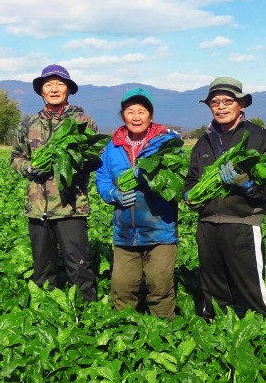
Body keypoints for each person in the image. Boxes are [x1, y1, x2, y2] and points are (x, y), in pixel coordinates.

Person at [184, 77, 266, 321]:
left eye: (227, 101)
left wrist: (248, 187)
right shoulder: (203, 141)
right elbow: (191, 179)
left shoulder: (258, 137)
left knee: (250, 288)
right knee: (213, 288)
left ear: (241, 104)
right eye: (215, 102)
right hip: (208, 225)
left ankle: (265, 330)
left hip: (242, 223)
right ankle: (217, 332)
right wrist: (189, 195)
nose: (220, 107)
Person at [10, 64, 97, 302]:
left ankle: (88, 316)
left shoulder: (83, 121)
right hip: (37, 208)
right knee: (42, 267)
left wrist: (71, 161)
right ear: (42, 92)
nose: (54, 89)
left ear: (68, 89)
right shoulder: (29, 123)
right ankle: (44, 314)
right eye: (48, 85)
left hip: (70, 206)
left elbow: (95, 158)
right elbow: (16, 156)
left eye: (60, 84)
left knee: (79, 266)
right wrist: (28, 168)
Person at [95, 87, 181, 320]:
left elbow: (180, 177)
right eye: (130, 111)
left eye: (141, 111)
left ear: (150, 116)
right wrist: (113, 193)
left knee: (160, 287)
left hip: (159, 229)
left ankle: (164, 334)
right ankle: (124, 334)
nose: (136, 117)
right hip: (125, 232)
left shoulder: (165, 143)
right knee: (122, 288)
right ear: (122, 115)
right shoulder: (112, 147)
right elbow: (102, 177)